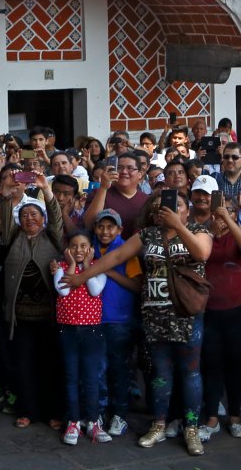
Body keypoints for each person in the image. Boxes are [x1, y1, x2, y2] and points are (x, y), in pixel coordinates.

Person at [63, 189, 212, 457]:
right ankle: (158, 424)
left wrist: (178, 225)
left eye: (177, 205)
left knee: (190, 372)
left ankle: (191, 426)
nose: (169, 209)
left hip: (186, 314)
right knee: (160, 373)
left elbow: (201, 254)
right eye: (162, 205)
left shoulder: (198, 230)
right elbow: (115, 258)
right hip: (154, 314)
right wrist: (83, 276)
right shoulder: (147, 234)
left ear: (187, 211)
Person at [0, 172, 64, 429]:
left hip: (47, 315)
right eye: (24, 215)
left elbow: (57, 218)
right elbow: (6, 217)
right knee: (24, 365)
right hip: (21, 317)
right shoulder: (12, 237)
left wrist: (46, 190)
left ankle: (52, 412)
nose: (29, 219)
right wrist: (7, 194)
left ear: (42, 218)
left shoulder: (52, 237)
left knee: (50, 364)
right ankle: (28, 410)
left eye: (34, 214)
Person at [52, 230, 110, 444]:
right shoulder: (59, 268)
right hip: (67, 330)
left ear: (90, 249)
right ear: (68, 249)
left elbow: (95, 290)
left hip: (92, 331)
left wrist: (86, 267)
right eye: (74, 246)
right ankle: (73, 421)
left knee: (91, 378)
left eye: (83, 246)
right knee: (71, 377)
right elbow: (63, 291)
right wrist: (68, 265)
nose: (79, 250)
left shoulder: (98, 267)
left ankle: (93, 421)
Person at [92, 209, 142, 437]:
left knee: (119, 370)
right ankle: (99, 412)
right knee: (97, 370)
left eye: (110, 227)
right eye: (101, 226)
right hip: (92, 319)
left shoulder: (126, 251)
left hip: (119, 320)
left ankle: (120, 414)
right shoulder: (88, 248)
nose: (105, 231)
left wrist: (110, 272)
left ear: (120, 230)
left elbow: (137, 285)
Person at [200, 197, 241, 440]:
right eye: (219, 213)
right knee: (212, 364)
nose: (223, 217)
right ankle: (213, 417)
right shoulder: (204, 236)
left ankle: (235, 415)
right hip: (209, 311)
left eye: (230, 212)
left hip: (236, 311)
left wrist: (228, 219)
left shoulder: (235, 237)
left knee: (236, 365)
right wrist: (211, 229)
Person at [83, 152, 147, 238]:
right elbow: (89, 224)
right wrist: (103, 188)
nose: (124, 172)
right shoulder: (98, 192)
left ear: (140, 174)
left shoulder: (147, 200)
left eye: (130, 168)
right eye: (119, 168)